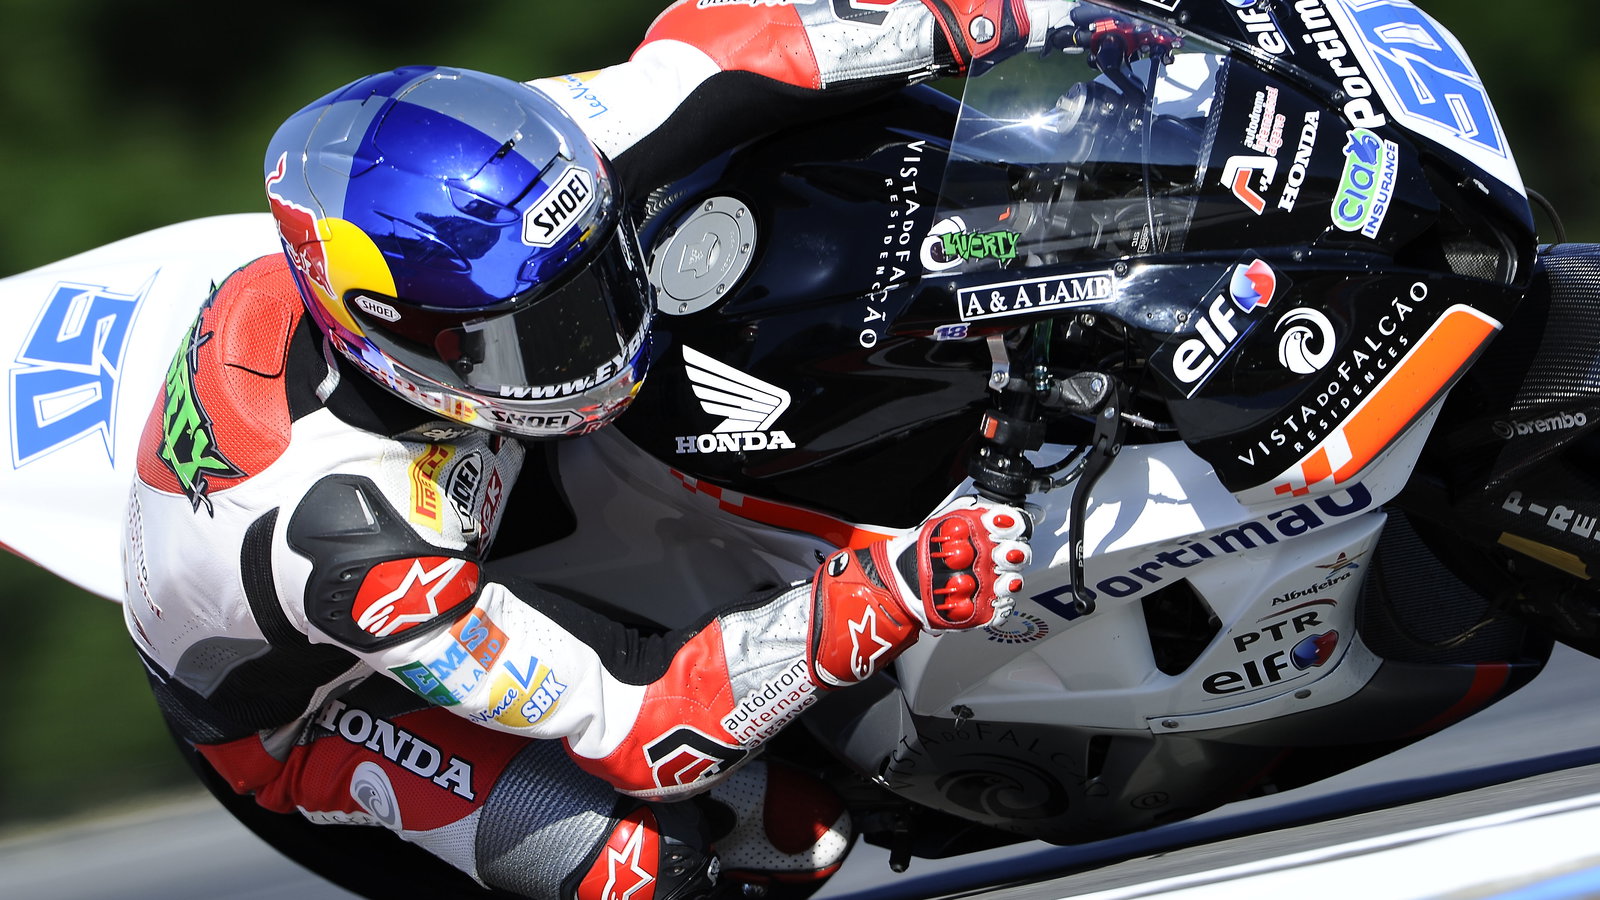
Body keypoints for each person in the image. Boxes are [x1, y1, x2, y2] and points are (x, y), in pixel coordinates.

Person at [123, 2, 1087, 898]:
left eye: (596, 281)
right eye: (533, 338)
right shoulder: (355, 543)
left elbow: (728, 49)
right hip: (328, 704)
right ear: (388, 335)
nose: (594, 344)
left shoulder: (521, 175)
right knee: (727, 851)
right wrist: (887, 597)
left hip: (487, 497)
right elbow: (640, 725)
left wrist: (998, 17)